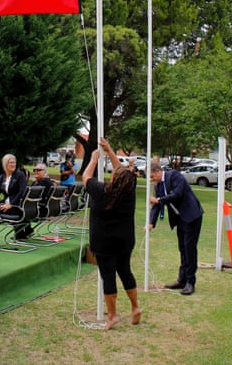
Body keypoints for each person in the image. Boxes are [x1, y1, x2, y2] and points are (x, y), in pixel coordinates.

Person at [82, 137, 141, 330]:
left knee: (108, 276)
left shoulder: (102, 191)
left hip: (105, 242)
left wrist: (94, 159)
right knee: (125, 271)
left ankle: (113, 315)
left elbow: (85, 179)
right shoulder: (129, 192)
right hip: (125, 241)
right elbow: (122, 172)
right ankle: (135, 307)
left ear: (115, 179)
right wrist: (110, 152)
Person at [149, 162, 204, 295]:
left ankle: (190, 282)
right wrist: (151, 223)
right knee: (182, 248)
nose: (152, 179)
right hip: (179, 219)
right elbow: (156, 205)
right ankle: (182, 280)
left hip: (191, 216)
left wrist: (159, 200)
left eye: (152, 176)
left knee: (189, 248)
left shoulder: (174, 175)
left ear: (157, 171)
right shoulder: (159, 186)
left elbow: (177, 194)